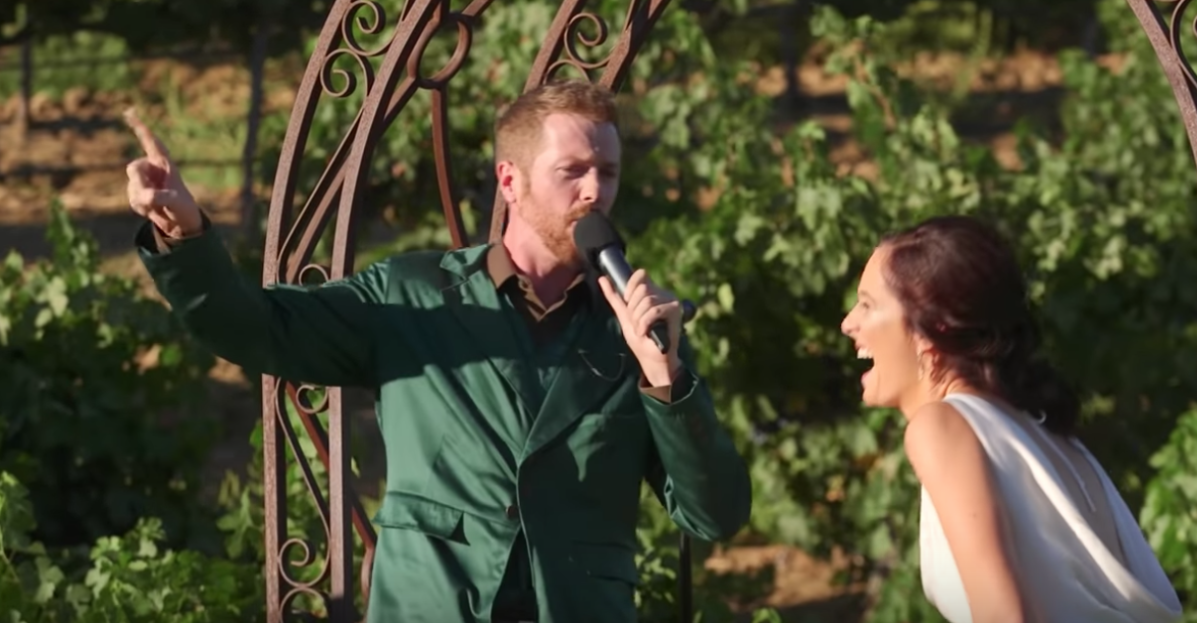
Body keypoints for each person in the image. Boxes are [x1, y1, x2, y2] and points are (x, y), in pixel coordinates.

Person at [123, 79, 752, 623]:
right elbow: (254, 328)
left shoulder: (638, 333)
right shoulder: (414, 296)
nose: (594, 192)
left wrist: (665, 380)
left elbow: (714, 514)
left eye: (607, 173)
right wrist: (186, 237)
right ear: (511, 179)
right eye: (573, 172)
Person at [840, 215, 1183, 623]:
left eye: (868, 304)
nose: (848, 323)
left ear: (933, 330)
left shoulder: (940, 427)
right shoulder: (1053, 436)